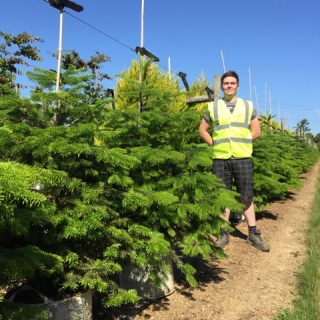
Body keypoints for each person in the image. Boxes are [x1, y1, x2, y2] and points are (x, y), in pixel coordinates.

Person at [198, 70, 270, 252]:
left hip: (242, 157)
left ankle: (253, 234)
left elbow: (256, 131)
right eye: (226, 83)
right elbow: (202, 130)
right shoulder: (213, 107)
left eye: (232, 83)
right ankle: (223, 233)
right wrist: (214, 144)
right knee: (223, 196)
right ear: (222, 86)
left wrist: (244, 143)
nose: (229, 86)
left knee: (246, 196)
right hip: (220, 158)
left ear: (237, 86)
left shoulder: (247, 106)